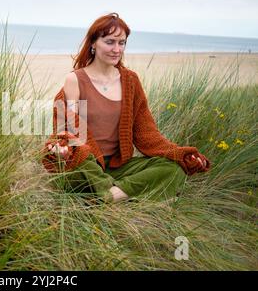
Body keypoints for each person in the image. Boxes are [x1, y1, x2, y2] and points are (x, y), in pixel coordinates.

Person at [43, 12, 210, 203]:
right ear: (93, 44)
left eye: (121, 43)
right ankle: (125, 194)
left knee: (174, 168)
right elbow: (71, 131)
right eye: (110, 42)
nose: (116, 49)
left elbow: (148, 134)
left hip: (117, 166)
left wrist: (180, 153)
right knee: (79, 159)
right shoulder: (75, 80)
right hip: (87, 165)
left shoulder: (130, 81)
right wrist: (63, 148)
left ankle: (107, 196)